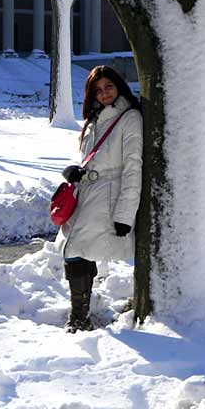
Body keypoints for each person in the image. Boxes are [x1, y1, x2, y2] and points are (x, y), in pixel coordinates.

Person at [56, 65, 143, 332]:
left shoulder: (129, 118)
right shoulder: (95, 119)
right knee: (74, 250)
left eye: (109, 87)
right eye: (98, 89)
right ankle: (80, 313)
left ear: (119, 86)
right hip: (88, 194)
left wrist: (124, 215)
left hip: (108, 197)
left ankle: (79, 317)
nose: (104, 93)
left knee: (76, 250)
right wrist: (76, 172)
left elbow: (132, 167)